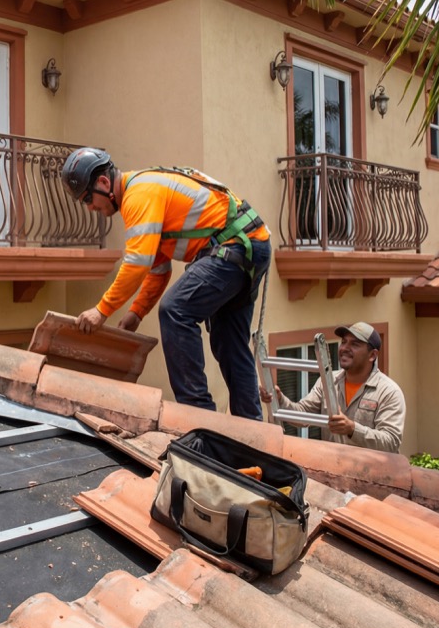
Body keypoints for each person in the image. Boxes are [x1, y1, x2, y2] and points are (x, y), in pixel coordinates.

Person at [62, 147, 272, 420]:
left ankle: (198, 416)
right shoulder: (145, 190)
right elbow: (158, 269)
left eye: (88, 199)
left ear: (103, 183)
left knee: (175, 310)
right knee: (229, 343)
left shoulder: (138, 195)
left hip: (235, 245)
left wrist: (102, 310)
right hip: (250, 245)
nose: (91, 207)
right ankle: (252, 430)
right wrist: (136, 313)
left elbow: (137, 262)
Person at [261, 322, 405, 453]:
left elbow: (391, 442)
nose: (345, 348)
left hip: (369, 476)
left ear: (372, 355)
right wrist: (279, 399)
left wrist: (352, 429)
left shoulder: (388, 392)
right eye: (344, 342)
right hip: (332, 469)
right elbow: (303, 415)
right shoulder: (328, 382)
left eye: (355, 344)